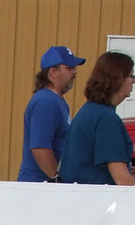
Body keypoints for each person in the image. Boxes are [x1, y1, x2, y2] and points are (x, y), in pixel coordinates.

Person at [59, 51, 135, 187]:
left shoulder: (90, 110)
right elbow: (122, 179)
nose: (134, 81)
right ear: (117, 79)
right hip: (95, 197)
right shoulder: (106, 118)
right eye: (131, 75)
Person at [17, 46, 85, 182]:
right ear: (53, 72)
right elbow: (39, 148)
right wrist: (56, 179)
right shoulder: (46, 102)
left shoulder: (56, 101)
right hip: (39, 185)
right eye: (69, 68)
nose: (75, 72)